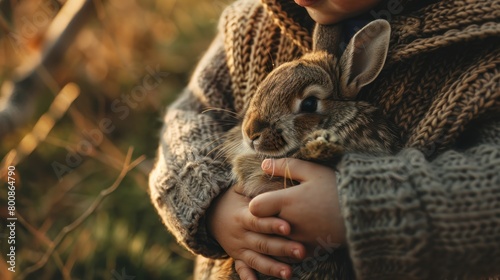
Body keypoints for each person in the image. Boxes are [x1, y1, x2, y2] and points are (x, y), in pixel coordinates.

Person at [148, 0, 500, 279]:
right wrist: (213, 204)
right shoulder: (251, 24)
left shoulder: (484, 50)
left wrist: (360, 209)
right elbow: (187, 118)